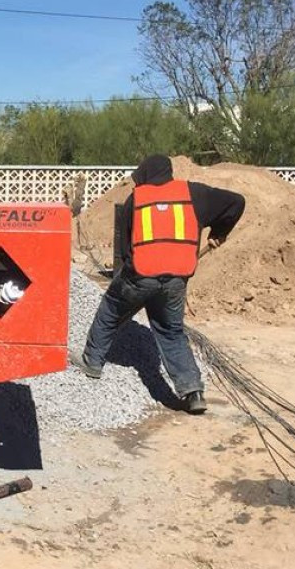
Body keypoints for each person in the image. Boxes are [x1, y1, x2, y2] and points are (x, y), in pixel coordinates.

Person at [73, 154, 245, 415]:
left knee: (110, 310)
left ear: (144, 174)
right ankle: (192, 391)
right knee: (170, 331)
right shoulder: (194, 194)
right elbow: (237, 202)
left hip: (139, 276)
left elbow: (125, 246)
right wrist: (219, 232)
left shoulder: (137, 199)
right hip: (176, 279)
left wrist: (129, 272)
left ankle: (92, 362)